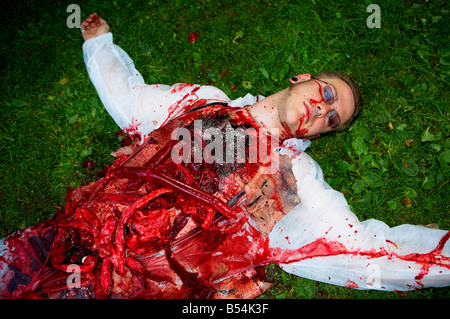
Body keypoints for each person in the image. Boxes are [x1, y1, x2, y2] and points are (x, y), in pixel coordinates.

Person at [0, 13, 448, 299]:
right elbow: (131, 100)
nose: (322, 109)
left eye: (332, 119)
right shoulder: (202, 102)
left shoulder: (294, 181)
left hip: (128, 288)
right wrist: (101, 46)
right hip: (63, 238)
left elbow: (365, 252)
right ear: (303, 78)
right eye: (327, 94)